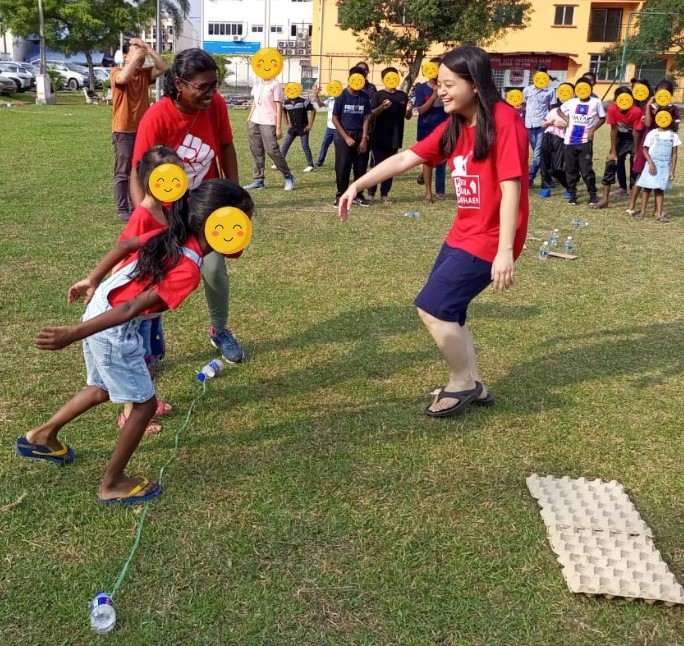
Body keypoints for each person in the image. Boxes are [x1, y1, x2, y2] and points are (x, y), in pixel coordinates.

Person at [15, 180, 254, 504]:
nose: (246, 231)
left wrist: (93, 279)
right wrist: (72, 334)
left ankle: (43, 436)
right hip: (113, 327)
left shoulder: (173, 230)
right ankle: (111, 484)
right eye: (244, 223)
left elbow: (127, 244)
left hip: (101, 309)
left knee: (102, 388)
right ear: (222, 225)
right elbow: (130, 308)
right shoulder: (188, 270)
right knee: (142, 406)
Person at [338, 46, 529, 417]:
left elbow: (511, 187)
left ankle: (461, 383)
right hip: (463, 232)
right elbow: (407, 158)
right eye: (438, 83)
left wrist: (505, 250)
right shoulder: (457, 123)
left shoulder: (503, 120)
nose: (439, 91)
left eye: (448, 84)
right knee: (451, 310)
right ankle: (475, 382)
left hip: (492, 237)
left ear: (474, 84)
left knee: (434, 309)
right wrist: (357, 185)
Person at [131, 48, 245, 363]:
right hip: (168, 207)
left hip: (205, 204)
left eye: (215, 85)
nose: (211, 93)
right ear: (179, 84)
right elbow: (138, 169)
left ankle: (219, 330)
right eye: (203, 86)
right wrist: (146, 214)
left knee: (213, 270)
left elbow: (225, 145)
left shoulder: (216, 105)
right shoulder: (157, 116)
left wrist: (232, 195)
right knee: (154, 274)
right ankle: (149, 344)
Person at [115, 146, 184, 436]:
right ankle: (130, 414)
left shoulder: (166, 210)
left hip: (152, 303)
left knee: (152, 356)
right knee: (137, 359)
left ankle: (149, 400)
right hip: (137, 305)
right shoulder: (142, 216)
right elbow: (123, 254)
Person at [110, 38, 168, 221]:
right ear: (125, 56)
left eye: (141, 52)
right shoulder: (116, 72)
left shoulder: (144, 75)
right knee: (124, 170)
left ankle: (139, 205)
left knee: (142, 168)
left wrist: (148, 47)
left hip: (142, 130)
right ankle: (122, 208)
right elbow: (123, 79)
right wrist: (136, 57)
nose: (140, 55)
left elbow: (163, 67)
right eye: (134, 51)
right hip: (123, 130)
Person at [627, 79, 681, 216]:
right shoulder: (650, 107)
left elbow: (675, 128)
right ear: (655, 92)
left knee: (660, 175)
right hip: (648, 142)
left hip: (664, 145)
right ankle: (631, 205)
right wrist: (649, 106)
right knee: (640, 174)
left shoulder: (673, 109)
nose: (662, 95)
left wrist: (667, 117)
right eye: (659, 92)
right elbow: (648, 124)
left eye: (667, 92)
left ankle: (658, 210)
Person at [243, 69, 295, 191]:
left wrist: (278, 127)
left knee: (272, 150)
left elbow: (278, 106)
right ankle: (258, 180)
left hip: (269, 121)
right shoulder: (257, 83)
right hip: (254, 121)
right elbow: (255, 102)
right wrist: (249, 117)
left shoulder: (275, 84)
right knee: (256, 151)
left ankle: (288, 175)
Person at [557, 76, 606, 206]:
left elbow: (602, 118)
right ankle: (573, 196)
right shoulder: (572, 102)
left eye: (586, 88)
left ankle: (593, 195)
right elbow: (559, 110)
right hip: (569, 141)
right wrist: (567, 121)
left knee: (586, 170)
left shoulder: (596, 102)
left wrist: (592, 130)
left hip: (584, 141)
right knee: (570, 169)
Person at [592, 86, 643, 209]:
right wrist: (613, 152)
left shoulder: (636, 111)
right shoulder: (612, 109)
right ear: (615, 99)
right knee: (611, 163)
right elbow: (614, 130)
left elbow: (636, 133)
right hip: (620, 138)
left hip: (634, 139)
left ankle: (632, 202)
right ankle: (605, 199)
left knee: (635, 168)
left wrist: (636, 153)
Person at [367, 67, 412, 204]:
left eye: (394, 77)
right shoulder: (378, 95)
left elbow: (407, 117)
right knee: (376, 166)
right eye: (388, 78)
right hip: (378, 137)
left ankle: (385, 193)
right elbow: (370, 116)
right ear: (383, 79)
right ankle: (371, 193)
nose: (391, 80)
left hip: (395, 137)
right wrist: (382, 107)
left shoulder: (402, 96)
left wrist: (409, 110)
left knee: (390, 167)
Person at [332, 66, 372, 207]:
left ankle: (358, 195)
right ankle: (340, 195)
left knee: (360, 167)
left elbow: (367, 118)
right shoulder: (342, 96)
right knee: (343, 167)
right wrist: (346, 137)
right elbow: (335, 118)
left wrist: (364, 139)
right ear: (349, 79)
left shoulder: (365, 97)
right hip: (344, 135)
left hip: (360, 135)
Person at [413, 57, 449, 204]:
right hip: (426, 129)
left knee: (442, 160)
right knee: (427, 161)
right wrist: (434, 97)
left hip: (445, 128)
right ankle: (428, 194)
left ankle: (440, 191)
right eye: (433, 69)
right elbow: (420, 110)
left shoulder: (447, 87)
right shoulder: (421, 88)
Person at [635, 107, 679, 222]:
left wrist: (672, 170)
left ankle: (659, 214)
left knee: (660, 189)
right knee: (647, 188)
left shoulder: (673, 135)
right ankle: (642, 212)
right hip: (652, 164)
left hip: (665, 166)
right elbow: (645, 149)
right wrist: (650, 163)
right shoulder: (652, 133)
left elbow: (674, 154)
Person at [522, 65, 555, 188]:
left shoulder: (550, 91)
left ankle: (530, 177)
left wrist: (549, 122)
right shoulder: (527, 90)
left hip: (542, 125)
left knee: (537, 153)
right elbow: (524, 105)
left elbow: (552, 109)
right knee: (539, 153)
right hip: (528, 124)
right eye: (535, 75)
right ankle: (547, 176)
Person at [538, 98, 569, 198]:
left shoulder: (573, 111)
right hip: (548, 136)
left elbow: (577, 126)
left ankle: (569, 187)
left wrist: (565, 125)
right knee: (544, 163)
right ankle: (545, 188)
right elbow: (543, 125)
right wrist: (547, 123)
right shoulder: (553, 111)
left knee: (558, 167)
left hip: (561, 139)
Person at [280, 90, 316, 172]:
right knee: (285, 145)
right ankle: (280, 163)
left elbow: (313, 110)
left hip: (303, 128)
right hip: (292, 129)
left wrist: (310, 124)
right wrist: (286, 123)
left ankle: (310, 165)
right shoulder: (286, 103)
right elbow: (283, 111)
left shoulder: (304, 101)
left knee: (305, 146)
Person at [313, 83, 335, 167]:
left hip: (340, 129)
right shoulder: (330, 99)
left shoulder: (343, 99)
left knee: (340, 147)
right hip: (330, 128)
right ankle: (320, 161)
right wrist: (316, 95)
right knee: (325, 144)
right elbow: (320, 105)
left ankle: (343, 162)